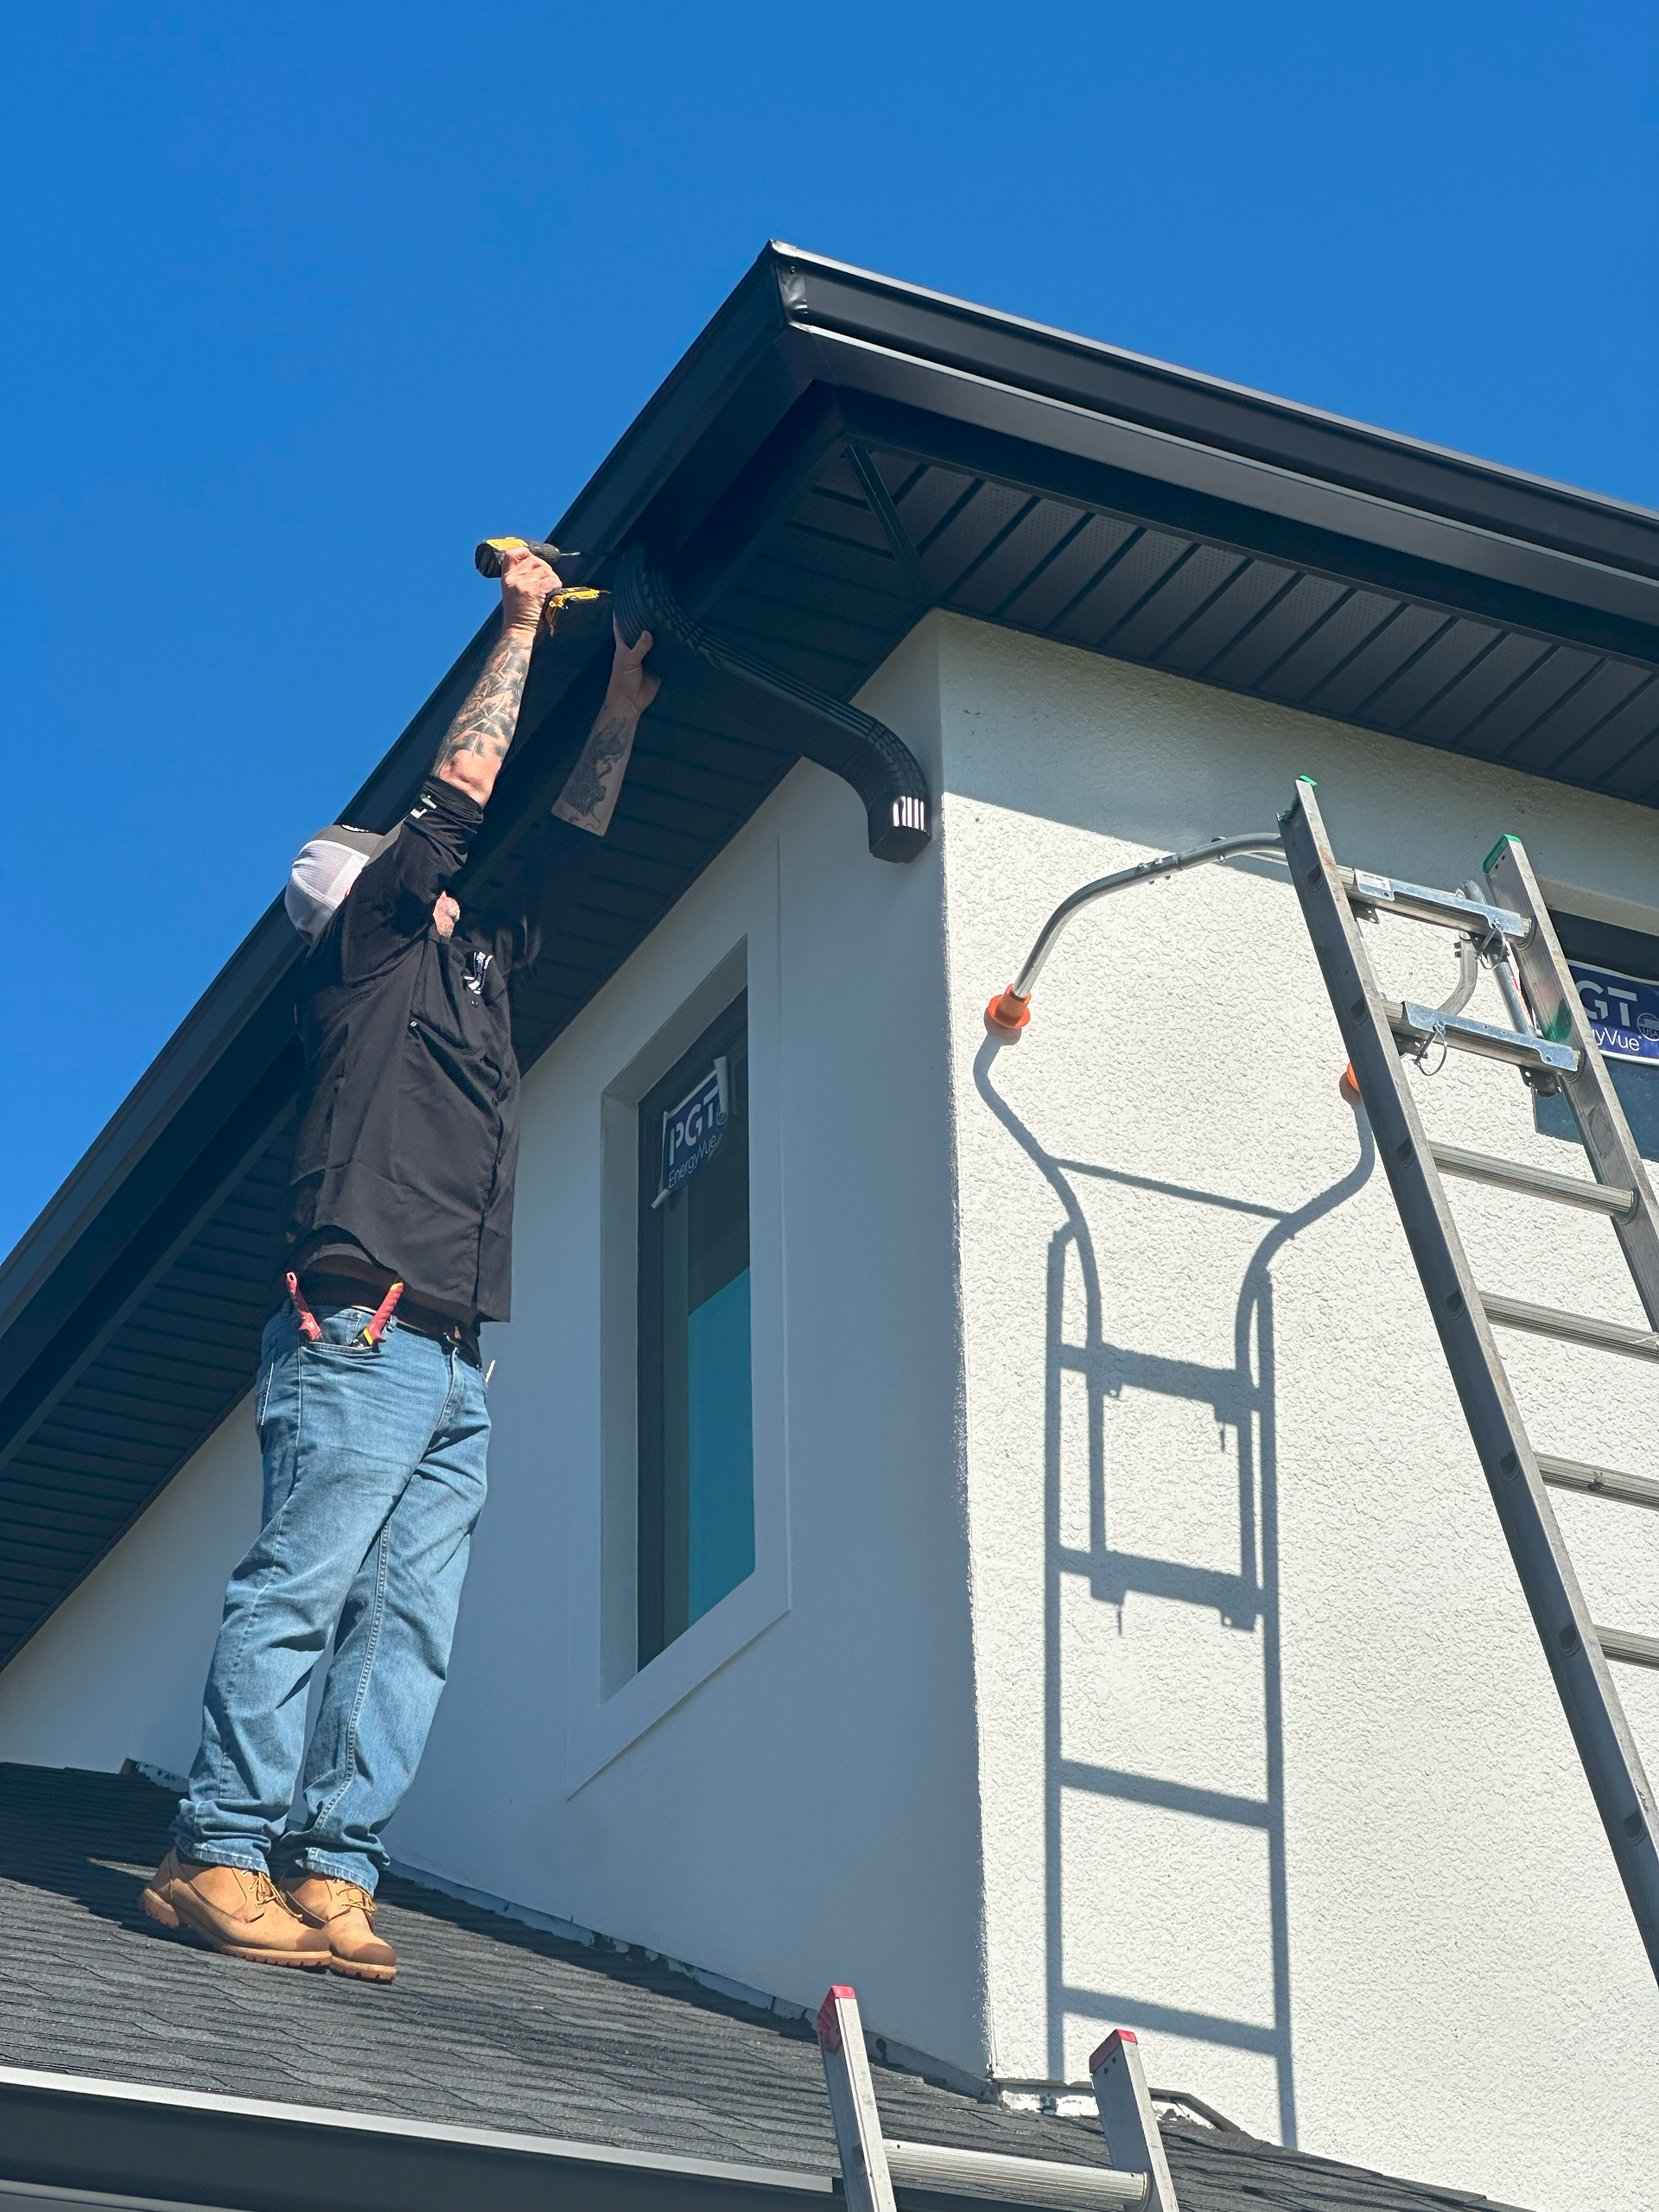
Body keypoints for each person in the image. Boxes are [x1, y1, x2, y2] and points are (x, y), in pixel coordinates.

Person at [142, 547, 658, 1980]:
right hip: (358, 1333)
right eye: (409, 864)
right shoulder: (366, 953)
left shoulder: (478, 971)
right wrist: (521, 628)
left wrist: (619, 695)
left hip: (449, 1358)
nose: (442, 874)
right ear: (365, 890)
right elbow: (461, 799)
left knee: (409, 1623)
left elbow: (567, 841)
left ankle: (332, 1872)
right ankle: (216, 1852)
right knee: (302, 1588)